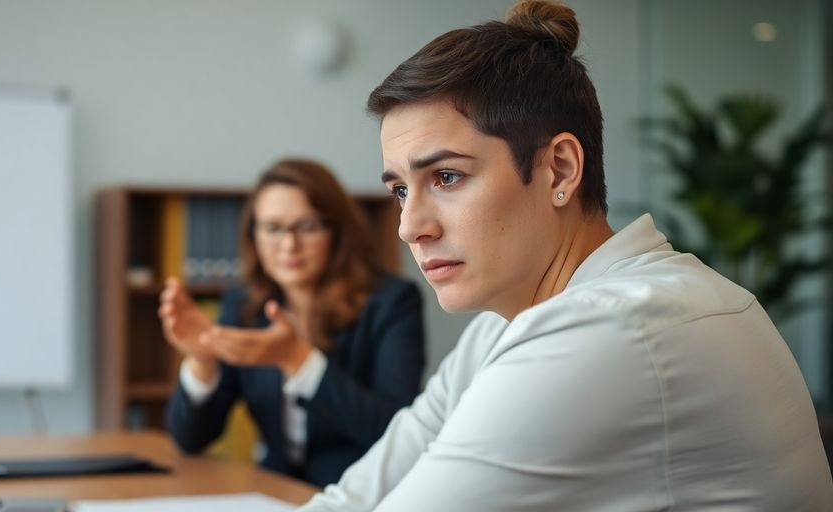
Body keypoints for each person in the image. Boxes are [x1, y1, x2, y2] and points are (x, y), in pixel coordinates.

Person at [299, 1, 833, 510]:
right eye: (400, 190)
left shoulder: (613, 329)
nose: (410, 227)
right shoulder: (507, 325)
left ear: (559, 169)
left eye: (446, 177)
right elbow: (360, 497)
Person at [159, 158, 426, 487]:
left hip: (364, 493)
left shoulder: (392, 301)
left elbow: (396, 431)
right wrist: (202, 360)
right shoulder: (243, 305)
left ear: (337, 232)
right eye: (272, 228)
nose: (288, 245)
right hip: (275, 492)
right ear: (253, 234)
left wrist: (298, 361)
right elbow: (191, 439)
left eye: (307, 226)